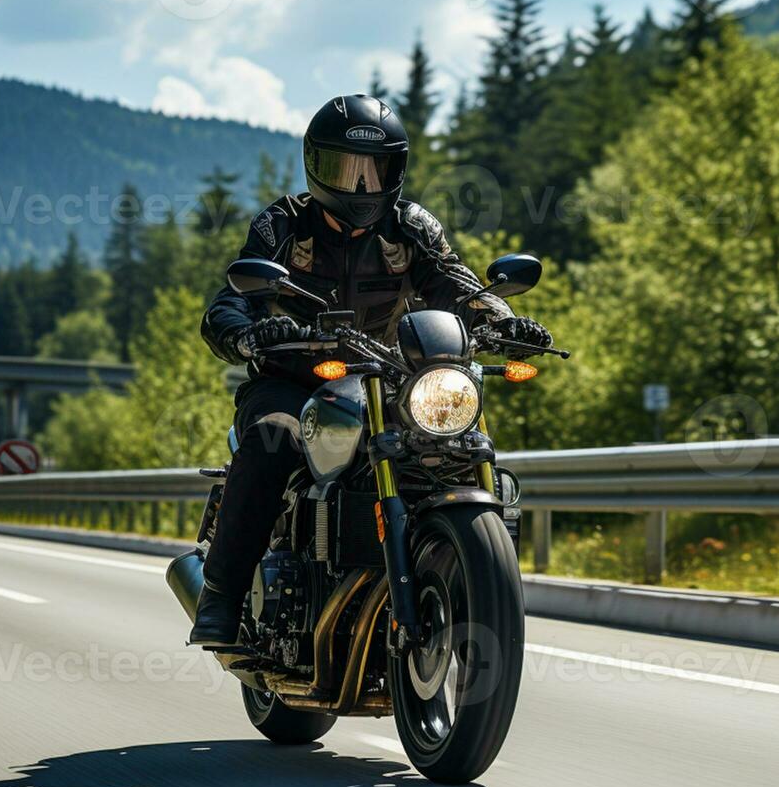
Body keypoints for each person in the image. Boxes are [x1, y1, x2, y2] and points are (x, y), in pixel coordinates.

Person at [190, 93, 552, 647]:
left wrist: (503, 320)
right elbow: (229, 302)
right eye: (346, 169)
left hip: (388, 382)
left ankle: (478, 582)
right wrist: (246, 333)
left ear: (396, 170)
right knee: (270, 442)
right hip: (294, 380)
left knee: (464, 444)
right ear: (317, 166)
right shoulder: (285, 224)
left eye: (374, 170)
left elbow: (457, 285)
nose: (361, 186)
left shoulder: (410, 228)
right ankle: (221, 596)